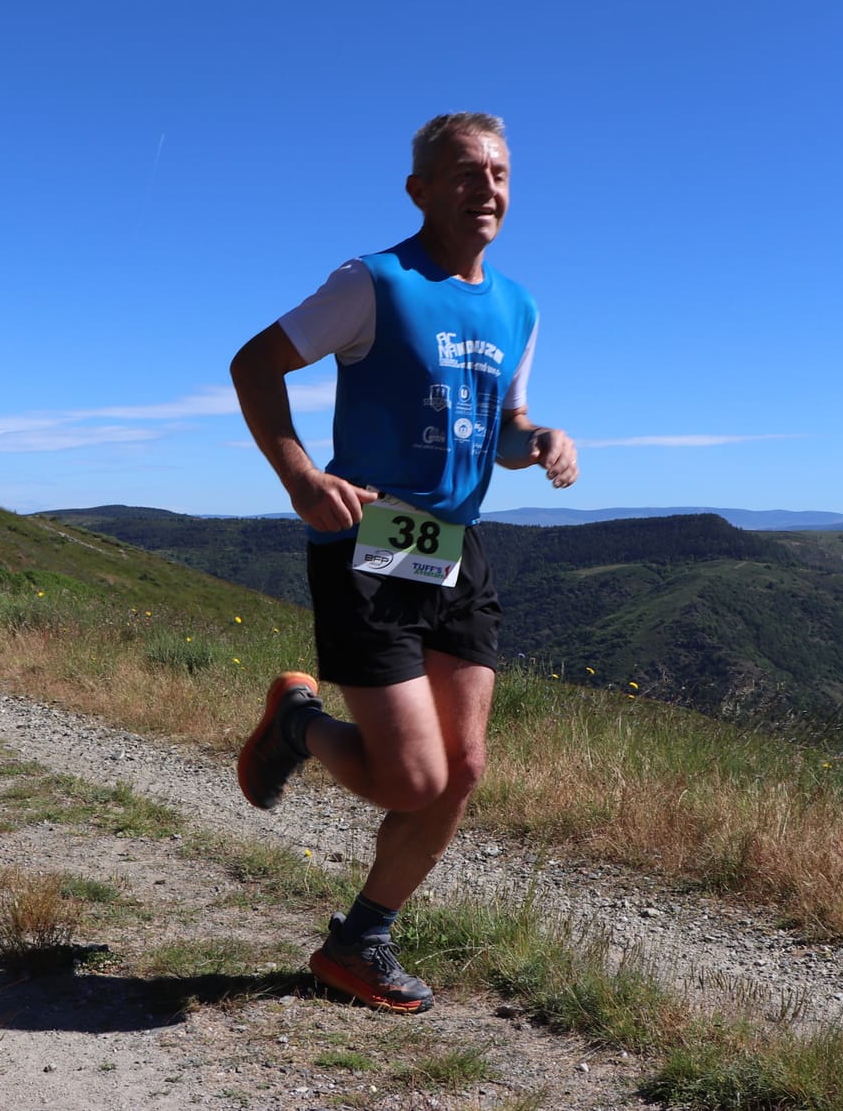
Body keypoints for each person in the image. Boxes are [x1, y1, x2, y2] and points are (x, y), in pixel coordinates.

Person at [229, 111, 578, 1013]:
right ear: (420, 189)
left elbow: (499, 426)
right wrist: (301, 472)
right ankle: (297, 723)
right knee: (413, 777)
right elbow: (255, 364)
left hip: (457, 550)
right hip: (368, 548)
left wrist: (537, 441)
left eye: (499, 173)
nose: (487, 188)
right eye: (465, 172)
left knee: (461, 771)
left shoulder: (520, 306)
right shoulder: (374, 282)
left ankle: (360, 942)